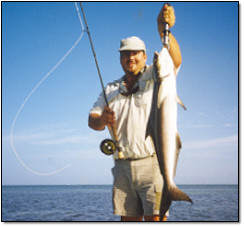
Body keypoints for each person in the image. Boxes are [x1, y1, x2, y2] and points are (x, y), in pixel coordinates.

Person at [88, 5, 182, 222]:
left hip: (152, 162)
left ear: (144, 55)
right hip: (122, 166)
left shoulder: (156, 74)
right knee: (127, 221)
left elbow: (175, 59)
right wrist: (102, 120)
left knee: (155, 219)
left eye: (135, 53)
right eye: (125, 54)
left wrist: (164, 30)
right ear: (120, 58)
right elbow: (92, 120)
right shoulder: (110, 89)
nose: (130, 58)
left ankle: (170, 188)